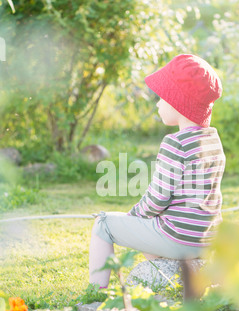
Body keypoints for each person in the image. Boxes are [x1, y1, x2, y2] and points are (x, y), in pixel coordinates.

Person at [89, 54, 226, 288]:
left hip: (179, 239)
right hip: (207, 239)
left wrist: (131, 216)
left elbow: (156, 199)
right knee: (149, 227)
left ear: (178, 101)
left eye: (162, 98)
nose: (158, 104)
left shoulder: (176, 143)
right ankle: (169, 279)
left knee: (103, 224)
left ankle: (94, 293)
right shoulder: (213, 140)